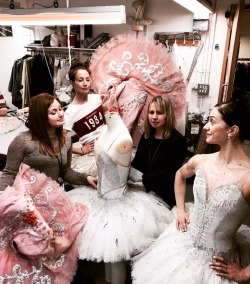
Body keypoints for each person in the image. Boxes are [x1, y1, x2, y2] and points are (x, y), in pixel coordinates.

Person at [131, 99, 250, 284]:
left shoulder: (248, 177)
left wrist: (244, 274)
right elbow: (179, 175)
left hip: (219, 265)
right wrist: (180, 209)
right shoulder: (201, 160)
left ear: (232, 131)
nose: (205, 127)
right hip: (183, 244)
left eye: (212, 121)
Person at [67, 109, 173, 284]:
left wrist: (141, 179)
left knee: (116, 253)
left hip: (118, 201)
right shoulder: (105, 130)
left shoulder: (123, 138)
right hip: (98, 196)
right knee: (107, 253)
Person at [0, 92, 97, 191]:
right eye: (53, 112)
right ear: (41, 117)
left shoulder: (66, 140)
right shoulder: (23, 141)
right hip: (26, 196)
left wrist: (86, 178)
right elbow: (9, 174)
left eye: (60, 109)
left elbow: (66, 172)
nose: (61, 114)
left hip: (51, 194)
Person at [131, 96, 187, 208]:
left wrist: (144, 178)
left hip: (163, 194)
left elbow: (171, 173)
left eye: (159, 113)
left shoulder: (178, 140)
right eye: (151, 112)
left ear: (168, 114)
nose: (154, 117)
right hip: (143, 190)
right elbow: (137, 164)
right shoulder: (146, 136)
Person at [64, 62, 105, 176]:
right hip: (93, 153)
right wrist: (81, 150)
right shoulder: (70, 112)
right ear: (73, 83)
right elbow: (60, 141)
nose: (85, 83)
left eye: (87, 79)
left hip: (109, 143)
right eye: (80, 80)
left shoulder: (97, 98)